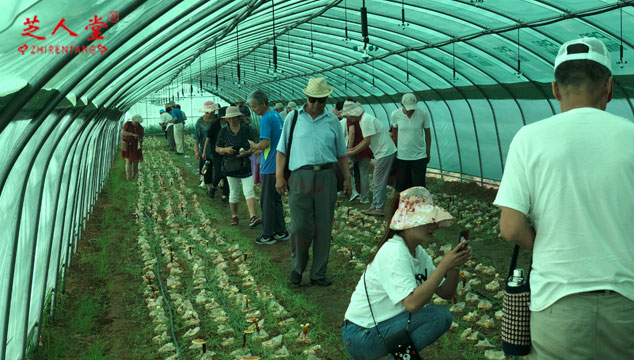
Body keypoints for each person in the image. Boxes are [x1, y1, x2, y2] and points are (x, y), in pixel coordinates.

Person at [494, 37, 634, 359]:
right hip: (625, 303)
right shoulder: (630, 135)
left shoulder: (529, 138)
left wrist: (544, 242)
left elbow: (511, 228)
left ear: (555, 89)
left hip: (557, 307)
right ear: (609, 87)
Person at [342, 187, 471, 359]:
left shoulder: (418, 253)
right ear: (407, 223)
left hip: (383, 327)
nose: (432, 226)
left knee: (443, 317)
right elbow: (412, 304)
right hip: (361, 334)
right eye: (425, 220)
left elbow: (446, 293)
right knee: (436, 317)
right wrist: (442, 267)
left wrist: (454, 265)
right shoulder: (394, 252)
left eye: (432, 220)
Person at [276, 77, 351, 287]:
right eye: (312, 99)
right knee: (300, 226)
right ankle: (297, 269)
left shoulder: (332, 121)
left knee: (324, 226)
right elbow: (281, 150)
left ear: (326, 99)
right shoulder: (293, 118)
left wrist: (347, 179)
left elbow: (342, 154)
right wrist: (279, 176)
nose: (316, 104)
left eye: (321, 100)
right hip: (300, 176)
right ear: (306, 97)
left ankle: (318, 273)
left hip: (326, 176)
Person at [248, 90, 289, 245]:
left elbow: (265, 143)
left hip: (270, 164)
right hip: (279, 163)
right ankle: (281, 231)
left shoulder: (266, 118)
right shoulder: (276, 116)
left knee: (266, 201)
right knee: (276, 200)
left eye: (254, 107)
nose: (253, 110)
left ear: (263, 103)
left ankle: (268, 234)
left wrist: (254, 146)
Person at [345, 101, 397, 216]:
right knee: (377, 180)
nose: (347, 117)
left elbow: (367, 141)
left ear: (353, 114)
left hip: (384, 152)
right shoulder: (365, 119)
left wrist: (351, 152)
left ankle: (379, 208)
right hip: (383, 152)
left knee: (378, 181)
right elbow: (366, 141)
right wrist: (352, 150)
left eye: (348, 115)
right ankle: (375, 206)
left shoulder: (365, 121)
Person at [215, 106, 262, 227]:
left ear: (238, 117)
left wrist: (248, 152)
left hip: (245, 164)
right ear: (226, 119)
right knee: (234, 191)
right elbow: (217, 148)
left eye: (234, 118)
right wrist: (226, 150)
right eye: (229, 119)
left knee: (249, 190)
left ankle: (253, 216)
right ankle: (234, 216)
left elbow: (256, 144)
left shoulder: (247, 130)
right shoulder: (224, 132)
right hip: (230, 165)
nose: (231, 120)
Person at [391, 93, 432, 191]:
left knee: (420, 185)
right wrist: (395, 148)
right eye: (408, 108)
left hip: (419, 156)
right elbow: (394, 132)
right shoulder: (395, 115)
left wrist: (428, 151)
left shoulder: (423, 114)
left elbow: (428, 134)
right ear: (401, 104)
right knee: (402, 186)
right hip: (402, 156)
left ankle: (420, 205)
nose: (411, 111)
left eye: (413, 108)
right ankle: (403, 205)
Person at [342, 100, 372, 203]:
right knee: (364, 174)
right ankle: (365, 198)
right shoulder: (363, 116)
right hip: (364, 148)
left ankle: (354, 192)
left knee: (348, 171)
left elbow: (352, 133)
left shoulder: (351, 119)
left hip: (356, 148)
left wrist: (349, 150)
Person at [202, 107, 229, 202]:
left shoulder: (230, 124)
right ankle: (213, 187)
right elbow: (208, 138)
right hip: (216, 151)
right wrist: (204, 151)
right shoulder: (215, 125)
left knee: (227, 172)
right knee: (219, 172)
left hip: (228, 152)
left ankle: (225, 195)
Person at [194, 101, 218, 188]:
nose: (211, 113)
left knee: (216, 165)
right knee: (205, 165)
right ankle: (203, 180)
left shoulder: (217, 120)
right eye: (209, 112)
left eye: (213, 111)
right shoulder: (200, 122)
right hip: (205, 148)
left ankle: (214, 181)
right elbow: (196, 138)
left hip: (216, 147)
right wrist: (196, 151)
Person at [121, 114, 144, 180]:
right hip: (128, 144)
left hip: (136, 145)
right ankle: (128, 176)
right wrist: (132, 134)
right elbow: (123, 132)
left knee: (136, 160)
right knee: (128, 160)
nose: (137, 124)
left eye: (138, 123)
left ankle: (134, 175)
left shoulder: (140, 127)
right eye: (136, 122)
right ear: (133, 120)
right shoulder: (127, 124)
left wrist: (140, 139)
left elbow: (141, 136)